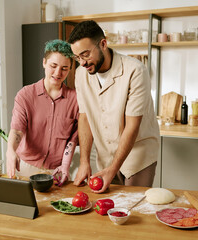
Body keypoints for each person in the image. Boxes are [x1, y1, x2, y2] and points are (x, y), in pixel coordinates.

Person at [68, 20, 160, 193]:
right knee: (107, 209)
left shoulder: (136, 71)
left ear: (103, 44)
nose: (82, 62)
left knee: (133, 208)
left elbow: (132, 126)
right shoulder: (81, 74)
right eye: (77, 57)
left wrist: (113, 168)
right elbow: (85, 117)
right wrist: (84, 162)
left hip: (137, 155)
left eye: (86, 54)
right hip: (105, 155)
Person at [6, 39, 79, 186]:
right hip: (26, 168)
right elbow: (17, 130)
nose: (58, 73)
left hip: (57, 170)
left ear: (70, 68)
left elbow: (73, 138)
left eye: (65, 68)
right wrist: (10, 151)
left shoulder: (75, 99)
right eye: (53, 66)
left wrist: (65, 165)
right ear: (44, 62)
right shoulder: (25, 95)